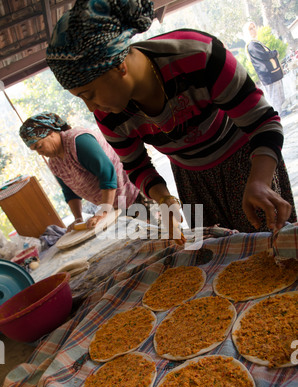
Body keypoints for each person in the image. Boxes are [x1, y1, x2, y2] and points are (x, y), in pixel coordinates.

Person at [46, 0, 296, 240]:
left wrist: (260, 180)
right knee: (219, 257)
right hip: (190, 179)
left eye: (89, 94)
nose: (90, 107)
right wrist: (164, 199)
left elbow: (263, 122)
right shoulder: (108, 114)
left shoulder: (198, 54)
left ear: (118, 67)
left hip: (249, 162)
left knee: (275, 249)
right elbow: (137, 167)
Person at [19, 112, 149, 231]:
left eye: (39, 146)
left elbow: (107, 173)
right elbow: (70, 192)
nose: (39, 152)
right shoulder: (54, 163)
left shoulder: (78, 141)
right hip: (112, 205)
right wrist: (78, 219)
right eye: (34, 150)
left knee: (156, 233)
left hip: (132, 195)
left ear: (51, 133)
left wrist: (103, 211)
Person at [243, 21, 286, 116]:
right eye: (250, 28)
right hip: (270, 76)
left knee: (279, 96)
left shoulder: (255, 43)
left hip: (272, 75)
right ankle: (277, 116)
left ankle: (281, 112)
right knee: (275, 98)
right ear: (247, 32)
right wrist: (275, 53)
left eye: (254, 27)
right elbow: (264, 56)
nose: (254, 30)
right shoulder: (252, 45)